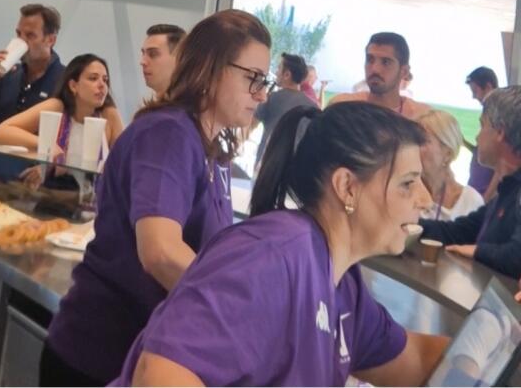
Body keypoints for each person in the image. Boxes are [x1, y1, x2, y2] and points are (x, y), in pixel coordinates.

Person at [120, 102, 450, 386]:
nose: (424, 198)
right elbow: (159, 374)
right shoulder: (268, 259)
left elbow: (416, 360)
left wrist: (488, 352)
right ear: (347, 187)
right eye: (407, 184)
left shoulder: (344, 286)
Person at [39, 10, 271, 386]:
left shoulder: (212, 146)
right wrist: (242, 313)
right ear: (210, 69)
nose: (261, 94)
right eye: (252, 78)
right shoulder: (169, 134)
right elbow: (161, 252)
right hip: (100, 358)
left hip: (152, 359)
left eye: (265, 81)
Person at [420, 86, 521, 279]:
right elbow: (458, 231)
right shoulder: (508, 194)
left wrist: (476, 251)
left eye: (482, 126)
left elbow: (517, 256)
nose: (476, 136)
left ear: (500, 132)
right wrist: (410, 226)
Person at [0, 53, 125, 163]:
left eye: (105, 80)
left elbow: (125, 161)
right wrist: (45, 144)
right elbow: (1, 132)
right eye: (93, 78)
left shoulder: (109, 114)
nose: (102, 85)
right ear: (73, 86)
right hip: (51, 190)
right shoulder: (57, 106)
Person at [0, 4, 64, 129]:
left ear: (51, 40)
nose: (22, 40)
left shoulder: (65, 80)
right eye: (19, 34)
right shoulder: (8, 75)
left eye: (30, 35)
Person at [329, 32, 429, 119]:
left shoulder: (420, 117)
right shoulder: (343, 108)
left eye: (386, 62)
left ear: (404, 71)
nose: (375, 69)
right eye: (370, 60)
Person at [416, 110, 484, 220]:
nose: (413, 148)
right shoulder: (402, 195)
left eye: (422, 141)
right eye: (412, 141)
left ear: (448, 154)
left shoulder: (470, 201)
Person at [253, 53, 316, 170]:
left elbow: (251, 125)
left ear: (287, 74)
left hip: (266, 167)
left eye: (278, 68)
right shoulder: (313, 107)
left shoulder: (271, 98)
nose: (276, 72)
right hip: (296, 171)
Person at [466, 66, 500, 199]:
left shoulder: (499, 115)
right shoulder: (489, 112)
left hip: (484, 193)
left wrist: (486, 198)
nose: (474, 96)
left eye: (475, 91)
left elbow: (500, 166)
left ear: (488, 87)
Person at [139, 24, 185, 98]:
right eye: (143, 53)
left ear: (180, 58)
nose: (142, 62)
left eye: (152, 54)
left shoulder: (199, 106)